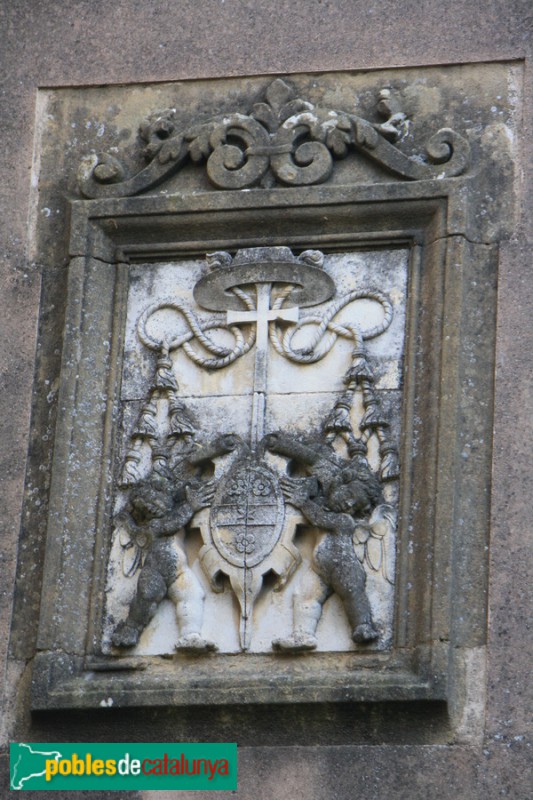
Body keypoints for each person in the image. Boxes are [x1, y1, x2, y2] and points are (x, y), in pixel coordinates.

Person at [263, 433, 381, 650]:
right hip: (320, 568)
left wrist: (302, 502)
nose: (349, 503)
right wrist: (284, 446)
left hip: (344, 568)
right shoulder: (330, 484)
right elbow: (314, 460)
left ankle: (363, 625)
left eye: (355, 505)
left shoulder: (345, 521)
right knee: (305, 596)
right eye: (351, 495)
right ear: (344, 482)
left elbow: (318, 518)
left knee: (352, 594)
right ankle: (304, 634)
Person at [111, 469, 216, 652]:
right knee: (145, 602)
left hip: (178, 570)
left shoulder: (166, 513)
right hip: (156, 572)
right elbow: (172, 524)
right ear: (150, 506)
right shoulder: (154, 525)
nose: (167, 496)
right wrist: (191, 506)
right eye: (160, 495)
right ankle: (130, 632)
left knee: (193, 595)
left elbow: (181, 490)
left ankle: (190, 635)